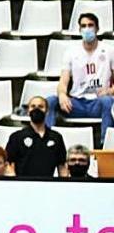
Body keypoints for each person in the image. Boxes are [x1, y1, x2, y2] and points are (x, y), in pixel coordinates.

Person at [47, 12, 114, 146]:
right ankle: (47, 143)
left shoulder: (109, 50)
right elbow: (63, 81)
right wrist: (61, 94)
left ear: (97, 29)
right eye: (83, 26)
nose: (87, 29)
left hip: (98, 103)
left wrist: (110, 91)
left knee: (108, 101)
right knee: (51, 101)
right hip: (76, 103)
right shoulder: (71, 52)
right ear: (79, 30)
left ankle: (106, 144)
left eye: (90, 25)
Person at [5, 96, 67, 177]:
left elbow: (62, 166)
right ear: (28, 111)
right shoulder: (16, 137)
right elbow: (9, 165)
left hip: (48, 185)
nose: (36, 109)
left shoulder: (56, 137)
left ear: (47, 111)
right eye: (33, 106)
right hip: (23, 185)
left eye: (41, 106)